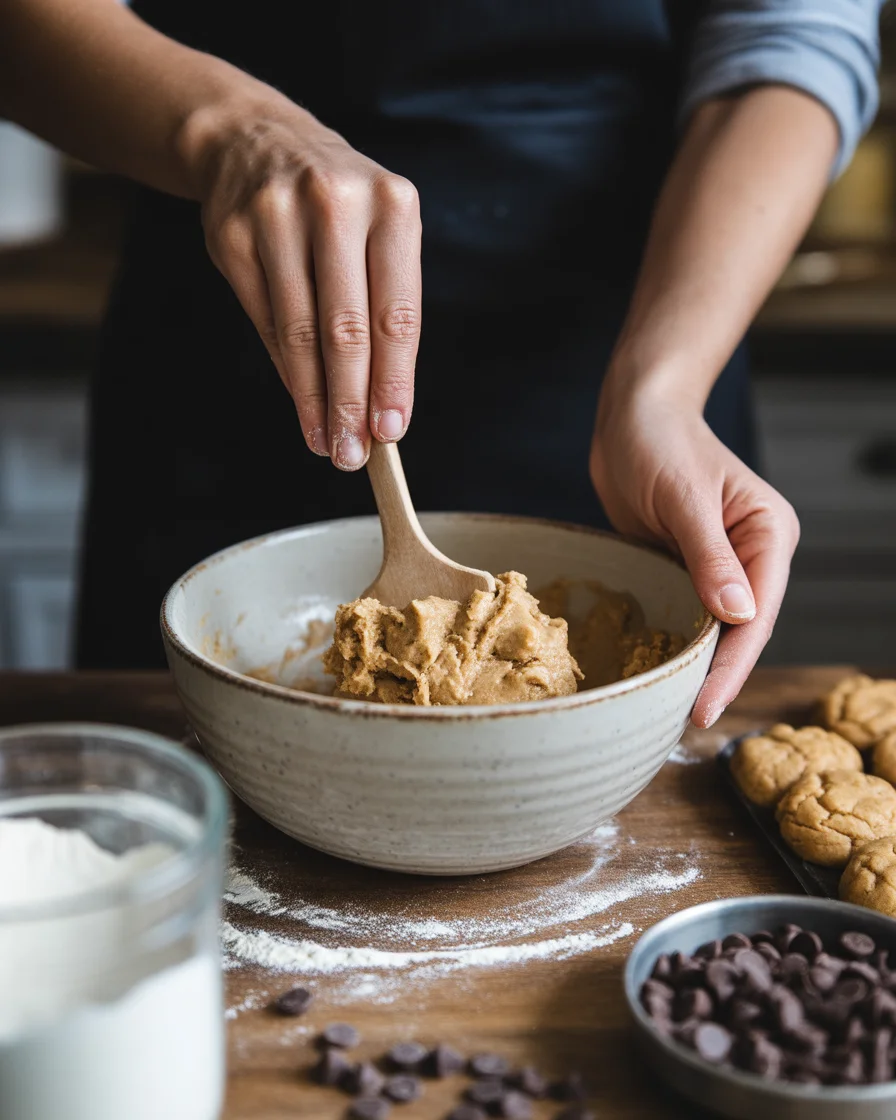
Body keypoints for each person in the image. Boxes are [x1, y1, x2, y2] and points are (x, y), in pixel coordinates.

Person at [0, 1, 882, 723]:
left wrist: (663, 386)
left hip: (632, 327)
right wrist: (226, 128)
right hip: (221, 343)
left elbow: (791, 36)